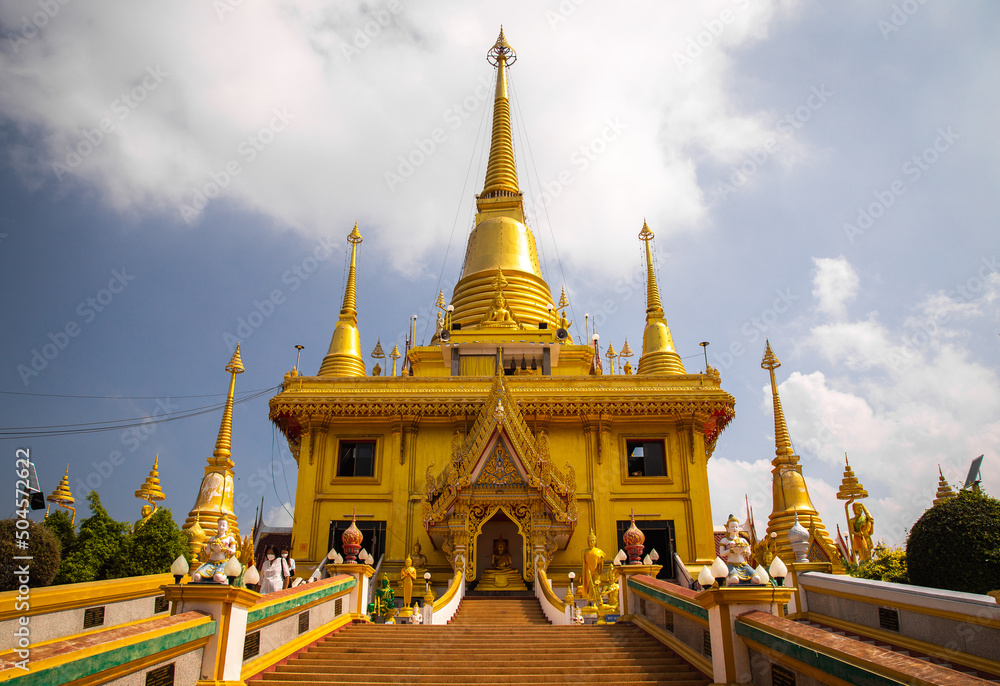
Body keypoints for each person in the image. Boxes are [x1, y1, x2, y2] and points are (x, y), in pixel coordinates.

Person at [192, 518, 237, 584]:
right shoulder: (212, 538)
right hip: (211, 563)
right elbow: (207, 552)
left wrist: (223, 549)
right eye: (219, 525)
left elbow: (233, 551)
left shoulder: (230, 538)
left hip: (222, 563)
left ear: (227, 527)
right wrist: (212, 548)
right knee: (196, 576)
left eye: (223, 525)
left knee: (217, 577)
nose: (221, 527)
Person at [719, 514, 760, 585]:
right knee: (734, 580)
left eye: (736, 527)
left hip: (743, 564)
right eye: (732, 527)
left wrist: (743, 551)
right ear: (728, 529)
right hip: (732, 565)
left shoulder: (743, 540)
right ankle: (727, 581)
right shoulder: (724, 540)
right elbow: (721, 554)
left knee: (756, 579)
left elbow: (749, 553)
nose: (734, 529)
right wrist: (731, 550)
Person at [581, 529, 605, 602]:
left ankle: (595, 601)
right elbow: (584, 564)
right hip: (587, 571)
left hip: (596, 572)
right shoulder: (584, 552)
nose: (591, 543)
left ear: (595, 541)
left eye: (593, 541)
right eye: (590, 541)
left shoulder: (599, 551)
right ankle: (588, 601)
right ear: (587, 542)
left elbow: (601, 564)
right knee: (588, 587)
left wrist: (600, 563)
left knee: (595, 586)